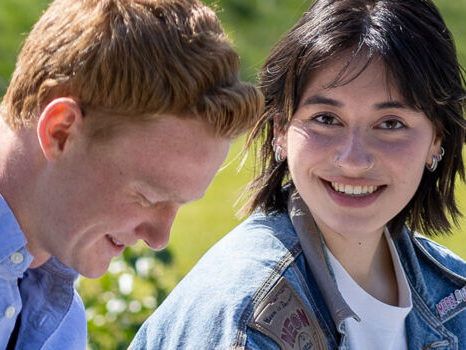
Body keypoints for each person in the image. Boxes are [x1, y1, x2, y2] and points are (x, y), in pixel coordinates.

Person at [0, 0, 262, 348]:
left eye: (177, 206)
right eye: (149, 196)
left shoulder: (57, 313)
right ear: (60, 131)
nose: (159, 237)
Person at [131, 0, 466, 349]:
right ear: (280, 130)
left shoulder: (455, 291)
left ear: (436, 140)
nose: (353, 160)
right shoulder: (244, 317)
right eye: (326, 119)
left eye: (391, 124)